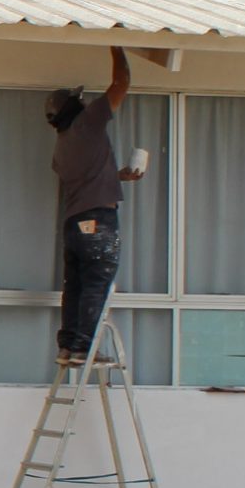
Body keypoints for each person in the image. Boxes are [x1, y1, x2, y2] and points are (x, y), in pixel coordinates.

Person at [47, 48, 148, 367]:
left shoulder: (62, 146)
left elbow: (85, 178)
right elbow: (121, 83)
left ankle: (68, 346)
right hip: (97, 222)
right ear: (75, 109)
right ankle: (84, 350)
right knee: (96, 282)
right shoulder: (87, 123)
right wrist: (116, 46)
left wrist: (118, 176)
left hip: (75, 224)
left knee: (75, 284)